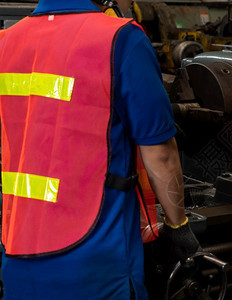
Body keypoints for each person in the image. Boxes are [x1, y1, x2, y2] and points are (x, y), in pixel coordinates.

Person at [0, 0, 200, 299]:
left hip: (17, 256)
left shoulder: (7, 41)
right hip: (96, 264)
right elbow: (160, 152)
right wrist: (179, 225)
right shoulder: (121, 39)